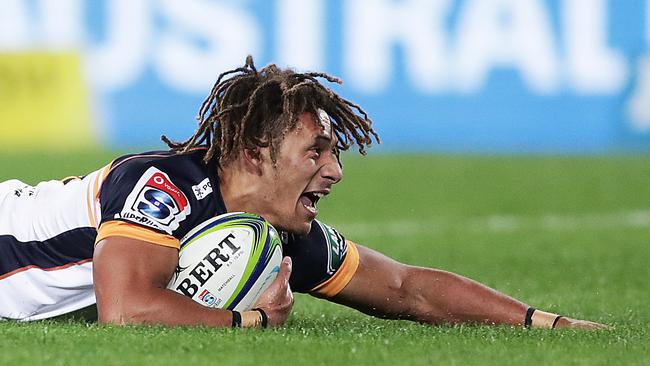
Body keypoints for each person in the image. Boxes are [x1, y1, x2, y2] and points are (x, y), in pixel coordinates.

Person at [0, 56, 605, 329]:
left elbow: (405, 288)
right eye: (315, 152)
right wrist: (246, 324)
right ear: (252, 155)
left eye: (334, 152)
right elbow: (126, 312)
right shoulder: (164, 187)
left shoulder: (279, 234)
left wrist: (542, 323)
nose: (335, 170)